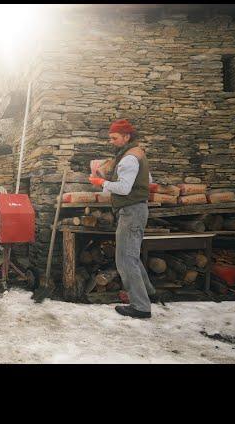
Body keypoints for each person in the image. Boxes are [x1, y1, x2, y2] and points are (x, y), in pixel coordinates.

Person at [89, 119, 157, 319]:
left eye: (114, 138)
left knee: (125, 259)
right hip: (136, 209)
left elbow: (124, 188)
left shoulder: (128, 158)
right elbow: (149, 181)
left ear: (126, 137)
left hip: (131, 211)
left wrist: (101, 181)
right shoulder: (137, 153)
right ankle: (148, 292)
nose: (111, 141)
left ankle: (140, 306)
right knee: (131, 255)